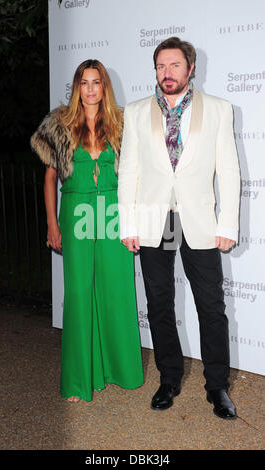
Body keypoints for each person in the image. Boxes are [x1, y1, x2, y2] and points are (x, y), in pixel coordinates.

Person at [118, 37, 240, 419]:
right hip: (155, 220)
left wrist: (228, 225)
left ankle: (217, 386)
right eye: (159, 66)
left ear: (190, 68)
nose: (166, 73)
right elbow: (129, 172)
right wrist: (128, 224)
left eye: (173, 65)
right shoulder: (136, 112)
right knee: (158, 304)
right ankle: (168, 379)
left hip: (200, 220)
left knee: (211, 306)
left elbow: (230, 171)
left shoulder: (219, 109)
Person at [31, 59, 144, 403]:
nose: (91, 88)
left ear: (104, 86)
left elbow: (136, 175)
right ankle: (80, 379)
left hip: (113, 214)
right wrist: (52, 223)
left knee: (117, 291)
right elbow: (51, 178)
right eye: (84, 82)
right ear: (77, 87)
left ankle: (121, 371)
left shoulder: (122, 123)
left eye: (96, 82)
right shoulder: (59, 123)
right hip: (76, 214)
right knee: (79, 295)